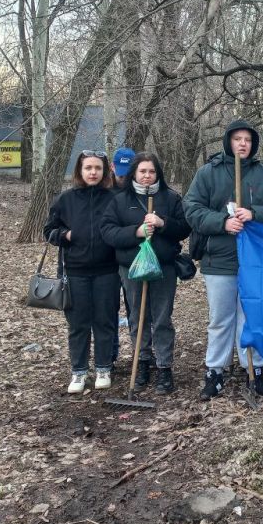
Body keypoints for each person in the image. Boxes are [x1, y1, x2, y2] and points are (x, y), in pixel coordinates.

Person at [184, 120, 263, 400]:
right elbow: (192, 209)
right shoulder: (209, 173)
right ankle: (215, 370)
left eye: (248, 139)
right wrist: (222, 222)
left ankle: (253, 368)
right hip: (219, 258)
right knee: (220, 318)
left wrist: (254, 213)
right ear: (228, 141)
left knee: (251, 316)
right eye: (237, 139)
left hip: (255, 260)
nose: (243, 144)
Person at [100, 153, 191, 394]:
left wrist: (163, 224)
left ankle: (164, 367)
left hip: (163, 267)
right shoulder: (120, 200)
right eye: (142, 172)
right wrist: (136, 232)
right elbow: (108, 232)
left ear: (158, 173)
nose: (147, 176)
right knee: (138, 317)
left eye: (151, 172)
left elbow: (184, 228)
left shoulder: (170, 198)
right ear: (134, 173)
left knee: (162, 318)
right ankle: (142, 363)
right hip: (132, 267)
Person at [43, 150, 119, 394]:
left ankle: (104, 368)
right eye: (88, 168)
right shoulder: (66, 200)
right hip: (75, 271)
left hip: (107, 270)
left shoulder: (113, 198)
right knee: (78, 323)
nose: (93, 172)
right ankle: (78, 371)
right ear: (80, 171)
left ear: (105, 171)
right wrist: (65, 235)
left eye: (97, 168)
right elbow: (49, 230)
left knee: (105, 321)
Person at [109, 147, 136, 357]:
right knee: (109, 309)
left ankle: (140, 352)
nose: (123, 177)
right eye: (120, 172)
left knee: (135, 307)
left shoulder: (138, 192)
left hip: (131, 259)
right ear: (112, 167)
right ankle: (110, 353)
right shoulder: (103, 191)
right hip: (106, 259)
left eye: (128, 173)